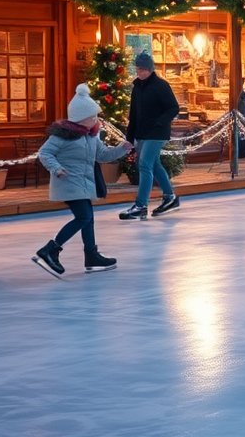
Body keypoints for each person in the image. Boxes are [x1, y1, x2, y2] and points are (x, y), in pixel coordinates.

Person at [32, 85, 134, 277]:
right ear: (80, 117)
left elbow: (103, 155)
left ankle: (91, 256)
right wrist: (56, 168)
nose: (95, 120)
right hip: (68, 181)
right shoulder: (62, 136)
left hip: (83, 183)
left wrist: (122, 148)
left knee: (88, 219)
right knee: (84, 217)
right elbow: (45, 153)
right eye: (92, 116)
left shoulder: (91, 137)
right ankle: (50, 250)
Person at [119, 52, 181, 220]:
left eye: (143, 69)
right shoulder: (137, 88)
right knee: (153, 164)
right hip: (142, 132)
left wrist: (160, 122)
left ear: (150, 69)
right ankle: (170, 197)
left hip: (157, 132)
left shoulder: (160, 85)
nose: (140, 72)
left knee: (144, 164)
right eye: (138, 69)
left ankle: (141, 205)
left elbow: (173, 108)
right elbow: (133, 115)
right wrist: (130, 138)